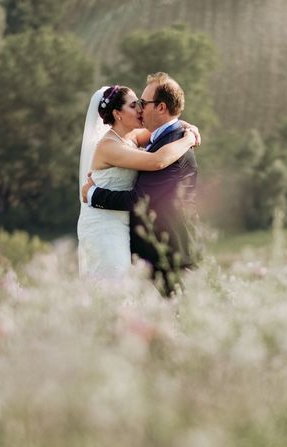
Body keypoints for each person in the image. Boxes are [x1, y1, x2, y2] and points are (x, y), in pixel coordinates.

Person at [82, 73, 201, 294]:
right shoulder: (111, 145)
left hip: (170, 249)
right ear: (117, 114)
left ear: (162, 107)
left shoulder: (140, 138)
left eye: (142, 103)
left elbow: (142, 195)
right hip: (108, 226)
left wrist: (189, 131)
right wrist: (189, 138)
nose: (139, 109)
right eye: (135, 104)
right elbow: (156, 160)